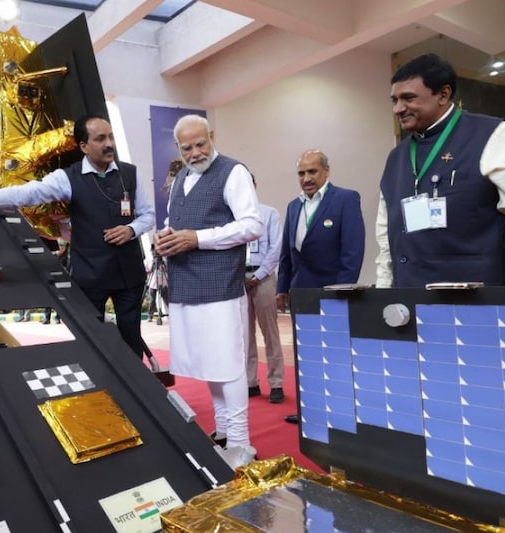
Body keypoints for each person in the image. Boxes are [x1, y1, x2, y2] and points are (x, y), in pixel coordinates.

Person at [0, 114, 155, 357]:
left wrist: (131, 229)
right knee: (92, 341)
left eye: (110, 137)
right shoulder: (67, 178)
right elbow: (24, 193)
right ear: (84, 146)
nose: (109, 144)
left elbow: (148, 215)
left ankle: (137, 381)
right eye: (100, 139)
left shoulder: (130, 174)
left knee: (131, 336)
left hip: (129, 274)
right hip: (91, 276)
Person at [375, 53, 505, 288]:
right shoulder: (396, 156)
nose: (398, 109)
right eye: (394, 100)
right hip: (408, 297)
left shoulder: (492, 135)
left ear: (443, 94)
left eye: (408, 98)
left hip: (475, 299)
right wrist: (384, 290)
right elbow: (385, 235)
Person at [154, 114, 263, 468]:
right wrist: (165, 237)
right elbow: (176, 223)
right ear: (178, 148)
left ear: (212, 136)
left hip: (220, 284)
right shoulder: (180, 179)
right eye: (187, 148)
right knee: (209, 363)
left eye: (201, 144)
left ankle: (241, 443)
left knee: (228, 363)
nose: (195, 153)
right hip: (185, 284)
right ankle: (223, 432)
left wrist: (197, 239)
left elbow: (252, 225)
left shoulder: (233, 172)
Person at [276, 149, 365, 424]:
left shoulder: (346, 199)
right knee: (307, 354)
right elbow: (287, 252)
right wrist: (282, 287)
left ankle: (340, 410)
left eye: (312, 171)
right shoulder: (293, 206)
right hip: (301, 293)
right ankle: (310, 408)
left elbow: (352, 252)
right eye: (301, 173)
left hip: (333, 293)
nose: (306, 178)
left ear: (326, 171)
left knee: (336, 354)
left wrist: (342, 291)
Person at [244, 183, 285, 404]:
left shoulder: (269, 213)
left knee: (270, 331)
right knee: (244, 334)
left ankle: (276, 382)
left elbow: (276, 248)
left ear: (253, 187)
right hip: (239, 279)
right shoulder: (232, 218)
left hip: (264, 277)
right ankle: (250, 382)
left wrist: (258, 275)